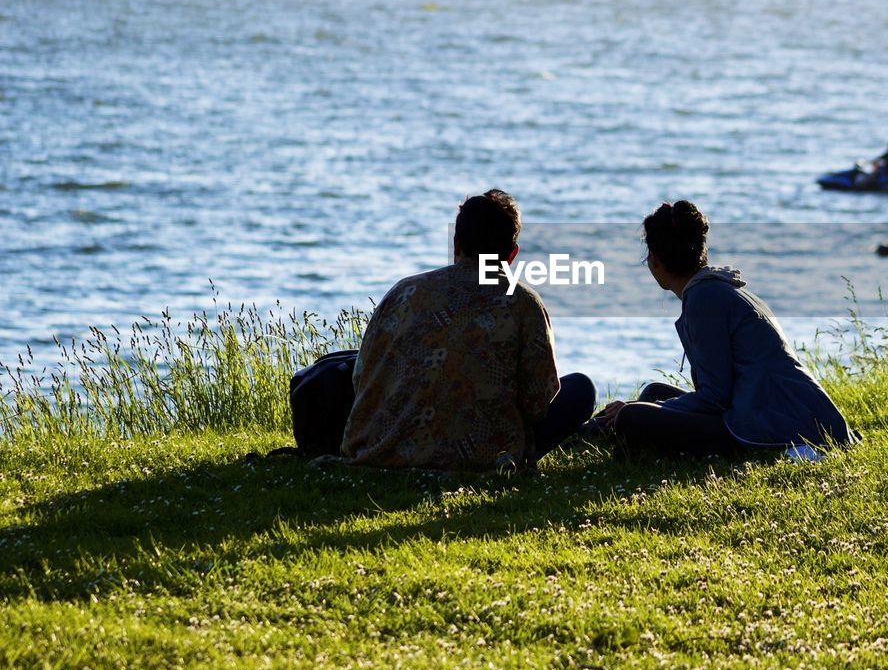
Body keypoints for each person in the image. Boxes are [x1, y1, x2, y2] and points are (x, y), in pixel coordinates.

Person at [340, 189, 596, 471]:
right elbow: (538, 403)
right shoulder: (523, 302)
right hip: (483, 457)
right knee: (580, 389)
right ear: (512, 254)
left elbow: (361, 379)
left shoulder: (405, 291)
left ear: (456, 243)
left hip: (387, 451)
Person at [591, 200, 854, 456]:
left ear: (656, 260)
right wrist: (656, 403)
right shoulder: (716, 288)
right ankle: (585, 436)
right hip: (776, 410)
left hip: (771, 424)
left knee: (632, 416)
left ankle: (580, 436)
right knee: (653, 392)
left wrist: (645, 408)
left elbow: (715, 398)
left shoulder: (705, 299)